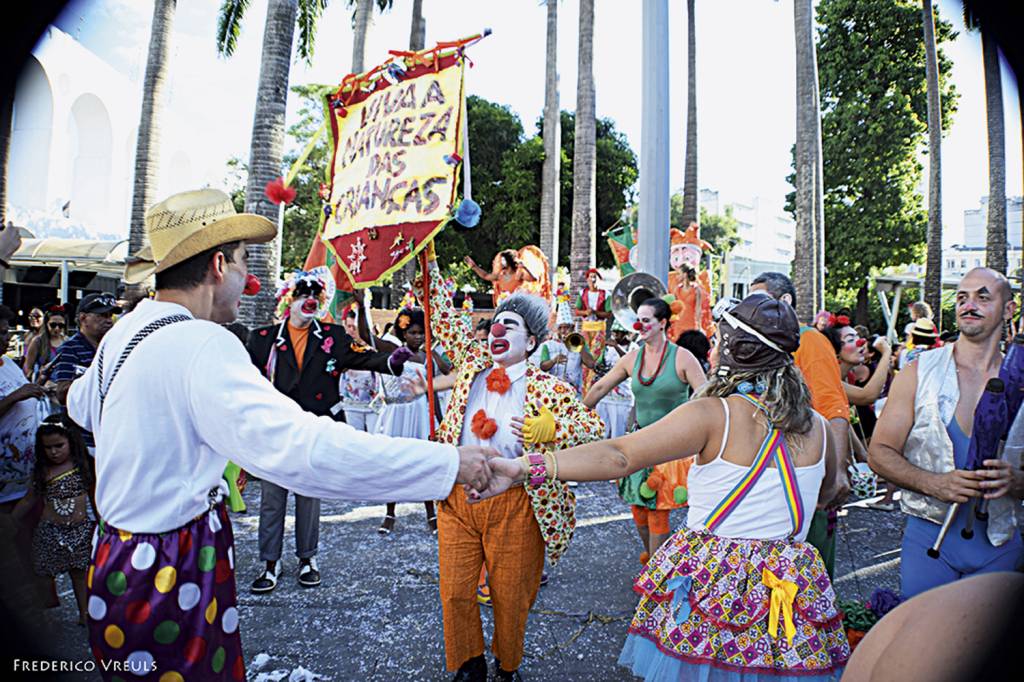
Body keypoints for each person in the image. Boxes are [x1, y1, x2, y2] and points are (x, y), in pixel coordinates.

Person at [66, 188, 497, 680]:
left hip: (116, 562)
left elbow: (80, 405)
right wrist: (447, 465)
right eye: (245, 261)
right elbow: (304, 452)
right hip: (169, 568)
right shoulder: (202, 343)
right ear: (218, 265)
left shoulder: (127, 331)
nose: (250, 277)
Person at [475, 292, 851, 681]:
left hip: (717, 588)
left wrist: (525, 467)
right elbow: (824, 496)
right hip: (787, 588)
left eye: (720, 341)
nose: (713, 349)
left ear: (740, 352)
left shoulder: (713, 414)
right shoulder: (820, 427)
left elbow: (621, 455)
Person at [423, 248, 604, 682]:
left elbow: (594, 430)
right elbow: (442, 314)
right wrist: (428, 255)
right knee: (454, 591)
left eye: (512, 325)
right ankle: (468, 663)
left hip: (518, 504)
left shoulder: (550, 387)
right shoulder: (471, 368)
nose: (498, 330)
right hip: (457, 497)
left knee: (510, 596)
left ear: (532, 342)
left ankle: (508, 666)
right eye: (496, 324)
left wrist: (552, 427)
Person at [247, 267, 413, 592]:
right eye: (301, 294)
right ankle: (270, 563)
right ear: (288, 300)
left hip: (313, 430)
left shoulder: (332, 336)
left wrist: (393, 360)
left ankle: (308, 559)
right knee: (271, 499)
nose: (308, 299)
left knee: (309, 496)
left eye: (314, 294)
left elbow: (363, 358)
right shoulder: (262, 339)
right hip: (274, 433)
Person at [869, 268, 1024, 599]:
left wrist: (1017, 482)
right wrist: (933, 483)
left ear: (1009, 309)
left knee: (991, 651)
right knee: (925, 649)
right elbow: (879, 452)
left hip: (1000, 545)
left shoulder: (1020, 380)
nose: (969, 305)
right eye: (963, 297)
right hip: (928, 543)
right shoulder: (919, 372)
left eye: (983, 297)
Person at [584, 298, 707, 562]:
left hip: (671, 444)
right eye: (638, 318)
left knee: (657, 511)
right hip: (641, 441)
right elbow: (600, 387)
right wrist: (575, 415)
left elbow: (706, 397)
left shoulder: (682, 357)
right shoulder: (633, 358)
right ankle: (654, 561)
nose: (640, 325)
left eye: (647, 320)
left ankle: (657, 576)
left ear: (663, 323)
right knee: (638, 509)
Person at [750, 272, 851, 578]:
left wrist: (837, 474)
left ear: (785, 302)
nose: (754, 310)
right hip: (769, 477)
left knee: (809, 578)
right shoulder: (764, 344)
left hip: (806, 475)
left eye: (761, 301)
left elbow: (833, 406)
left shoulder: (809, 340)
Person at [13, 415, 94, 625]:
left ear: (71, 441)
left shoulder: (83, 466)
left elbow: (98, 496)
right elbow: (30, 498)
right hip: (49, 531)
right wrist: (12, 520)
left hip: (80, 531)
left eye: (59, 445)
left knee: (79, 574)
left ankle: (84, 614)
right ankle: (44, 613)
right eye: (48, 447)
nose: (54, 452)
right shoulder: (42, 471)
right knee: (42, 573)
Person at [376, 307, 449, 536]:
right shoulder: (393, 350)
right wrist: (360, 308)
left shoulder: (429, 356)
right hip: (396, 413)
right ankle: (389, 513)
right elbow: (368, 338)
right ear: (403, 332)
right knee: (393, 463)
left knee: (423, 461)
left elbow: (433, 390)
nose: (418, 337)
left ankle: (431, 512)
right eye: (414, 333)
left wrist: (440, 421)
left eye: (422, 333)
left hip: (419, 413)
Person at [0, 304, 52, 612]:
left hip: (25, 476)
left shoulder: (7, 364)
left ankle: (41, 606)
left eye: (6, 332)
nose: (6, 338)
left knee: (29, 543)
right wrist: (16, 397)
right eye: (0, 333)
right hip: (3, 484)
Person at [532, 302, 594, 395]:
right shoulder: (548, 345)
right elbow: (543, 367)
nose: (563, 331)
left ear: (572, 328)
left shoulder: (580, 343)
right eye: (560, 328)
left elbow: (591, 364)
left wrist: (579, 346)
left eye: (566, 327)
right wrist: (553, 361)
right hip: (554, 390)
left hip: (574, 390)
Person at [574, 268, 613, 395]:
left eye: (595, 276)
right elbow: (577, 311)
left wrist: (595, 312)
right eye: (591, 277)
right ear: (587, 279)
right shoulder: (583, 293)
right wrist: (586, 312)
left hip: (599, 328)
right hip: (586, 327)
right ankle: (585, 389)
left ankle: (593, 387)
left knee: (595, 357)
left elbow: (608, 313)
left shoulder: (605, 294)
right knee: (585, 356)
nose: (593, 279)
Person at [595, 321, 635, 439]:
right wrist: (599, 366)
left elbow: (630, 362)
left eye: (619, 333)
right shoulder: (608, 348)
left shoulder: (633, 347)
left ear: (625, 334)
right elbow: (599, 363)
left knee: (617, 434)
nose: (615, 336)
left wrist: (616, 347)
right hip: (604, 396)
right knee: (601, 431)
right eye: (614, 333)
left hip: (621, 398)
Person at [465, 251, 536, 307]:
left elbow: (533, 279)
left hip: (517, 304)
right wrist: (474, 267)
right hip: (503, 304)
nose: (500, 262)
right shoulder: (500, 275)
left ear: (508, 261)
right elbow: (485, 276)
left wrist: (525, 267)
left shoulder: (519, 274)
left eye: (502, 260)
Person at [22, 306, 67, 384]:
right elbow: (27, 369)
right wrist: (39, 376)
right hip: (45, 388)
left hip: (63, 387)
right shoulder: (38, 341)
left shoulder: (67, 341)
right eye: (53, 325)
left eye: (61, 325)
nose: (57, 328)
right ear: (46, 324)